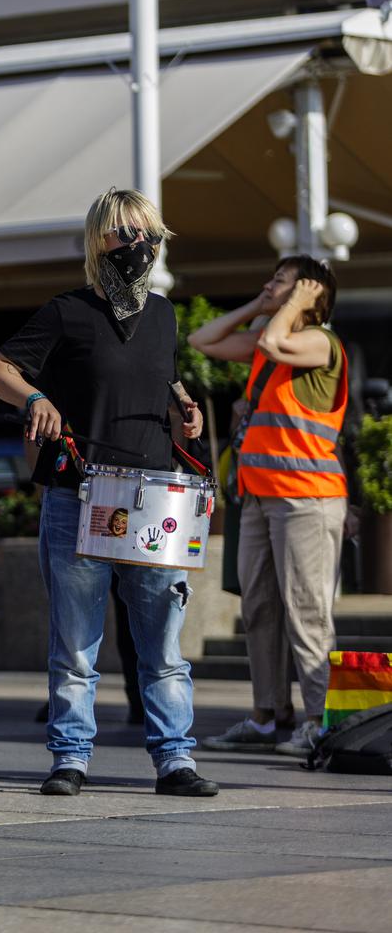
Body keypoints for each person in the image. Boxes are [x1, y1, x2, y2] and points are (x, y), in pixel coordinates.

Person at [0, 186, 217, 800]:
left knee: (163, 645)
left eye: (147, 231)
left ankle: (175, 759)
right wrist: (35, 397)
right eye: (124, 232)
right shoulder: (67, 311)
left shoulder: (163, 314)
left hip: (155, 497)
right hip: (79, 492)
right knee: (76, 644)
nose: (139, 244)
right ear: (98, 242)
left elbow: (161, 383)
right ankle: (70, 757)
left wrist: (183, 408)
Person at [188, 256, 347, 759]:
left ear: (309, 291)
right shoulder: (266, 347)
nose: (267, 284)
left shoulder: (323, 342)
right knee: (258, 608)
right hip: (258, 497)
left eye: (278, 280)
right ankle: (266, 715)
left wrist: (298, 303)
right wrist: (261, 303)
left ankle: (319, 722)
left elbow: (277, 341)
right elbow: (202, 341)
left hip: (306, 498)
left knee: (307, 612)